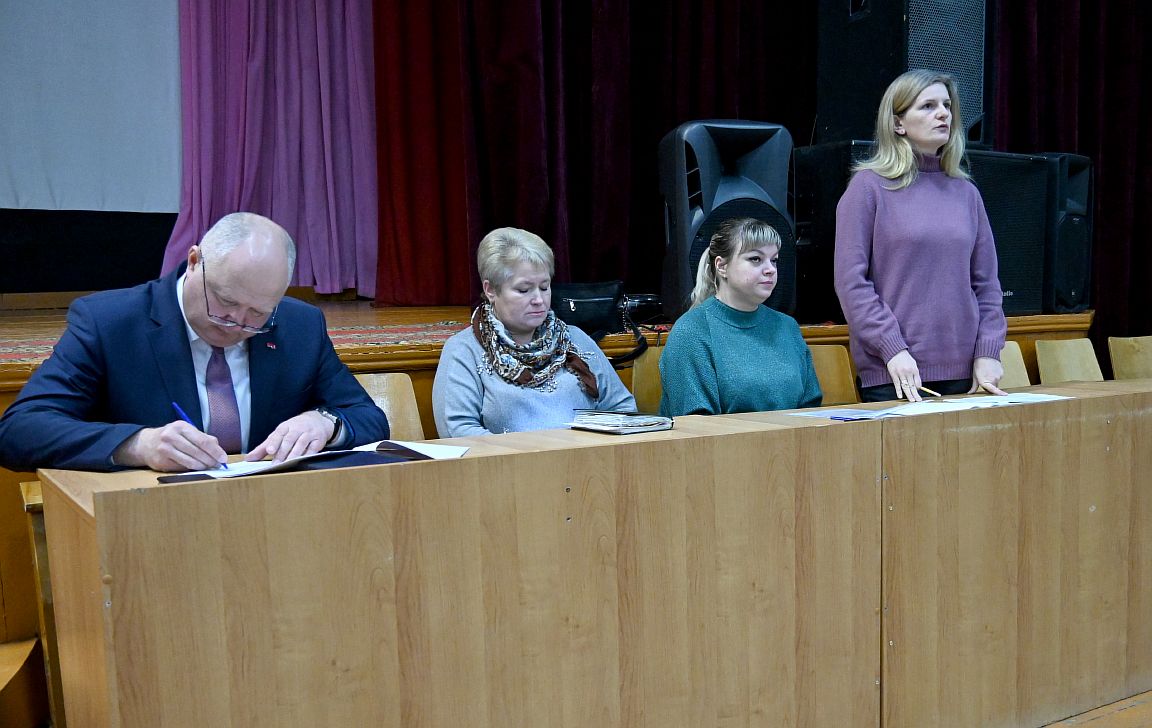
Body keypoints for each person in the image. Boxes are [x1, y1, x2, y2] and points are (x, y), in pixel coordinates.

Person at [0, 212, 390, 472]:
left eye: (258, 313)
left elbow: (367, 416)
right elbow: (19, 431)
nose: (237, 323)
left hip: (272, 517)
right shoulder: (109, 323)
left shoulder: (299, 325)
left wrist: (325, 423)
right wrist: (139, 445)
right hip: (152, 521)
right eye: (225, 301)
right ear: (193, 262)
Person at [834, 69, 1007, 403]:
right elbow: (851, 283)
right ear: (898, 123)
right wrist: (892, 348)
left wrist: (989, 352)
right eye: (928, 106)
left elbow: (987, 285)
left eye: (946, 105)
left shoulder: (966, 193)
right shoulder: (868, 188)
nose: (943, 114)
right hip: (895, 371)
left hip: (967, 374)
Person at [432, 227, 636, 437]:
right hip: (505, 459)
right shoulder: (464, 350)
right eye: (524, 290)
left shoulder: (575, 339)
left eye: (544, 287)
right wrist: (535, 453)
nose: (539, 300)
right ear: (490, 290)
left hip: (587, 457)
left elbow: (622, 409)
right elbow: (458, 431)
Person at [659, 218, 822, 416]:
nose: (770, 269)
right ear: (722, 266)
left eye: (774, 260)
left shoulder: (788, 327)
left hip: (794, 436)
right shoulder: (691, 332)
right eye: (756, 259)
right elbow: (697, 424)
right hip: (720, 437)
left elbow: (811, 409)